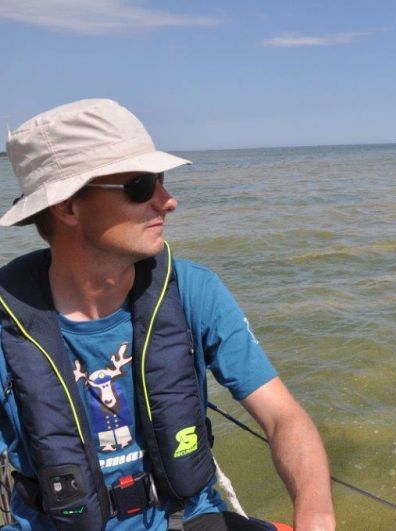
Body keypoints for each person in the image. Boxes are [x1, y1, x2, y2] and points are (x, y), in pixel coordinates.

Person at [0, 99, 336, 531]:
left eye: (160, 181)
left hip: (187, 520)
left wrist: (315, 514)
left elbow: (282, 416)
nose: (168, 201)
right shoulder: (8, 320)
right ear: (67, 207)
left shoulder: (194, 290)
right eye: (140, 186)